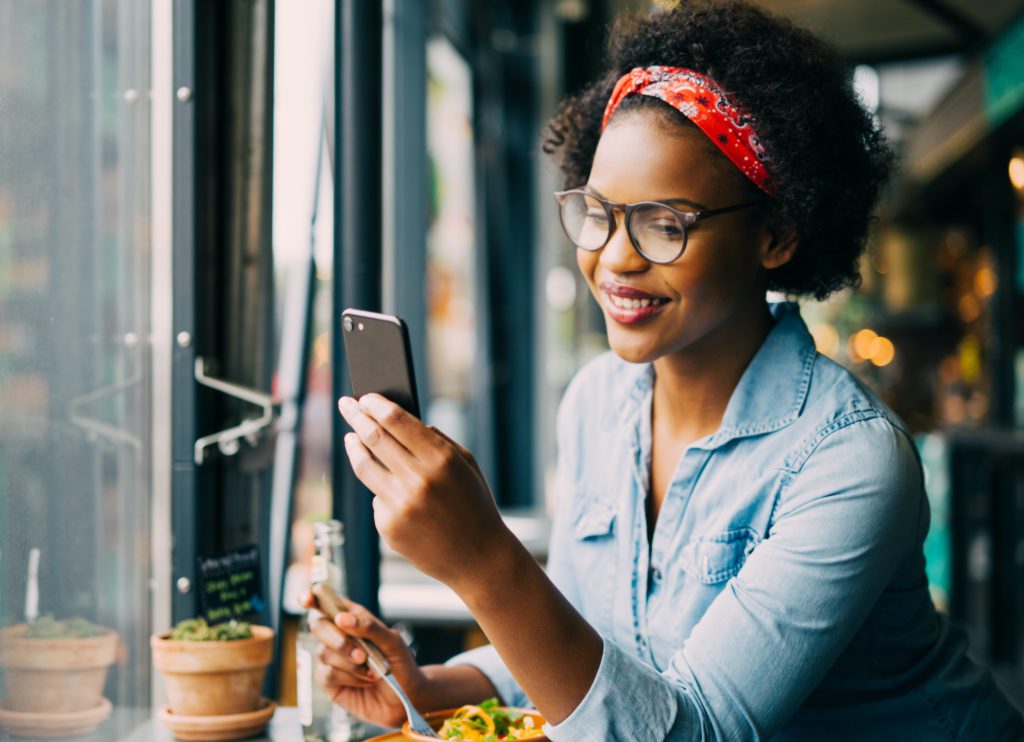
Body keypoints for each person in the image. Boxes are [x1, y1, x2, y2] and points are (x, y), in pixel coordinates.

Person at [303, 2, 1024, 739]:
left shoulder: (849, 461)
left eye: (664, 223)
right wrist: (424, 687)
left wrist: (485, 561)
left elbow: (690, 730)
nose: (615, 257)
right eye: (599, 212)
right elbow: (591, 653)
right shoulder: (595, 403)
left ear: (774, 235)